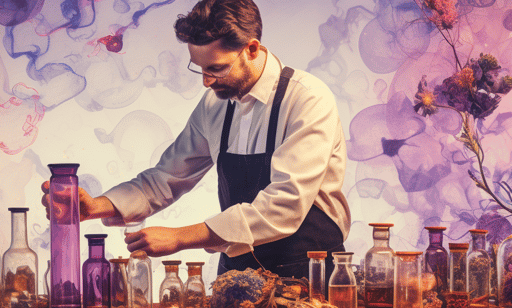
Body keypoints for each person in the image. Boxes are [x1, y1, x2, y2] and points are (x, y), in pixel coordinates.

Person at [42, 0, 349, 279]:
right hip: (238, 275)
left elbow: (286, 205)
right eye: (199, 68)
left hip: (311, 274)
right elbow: (166, 177)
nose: (206, 81)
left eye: (216, 68)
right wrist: (97, 206)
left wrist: (181, 237)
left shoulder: (307, 99)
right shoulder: (215, 104)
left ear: (252, 49)